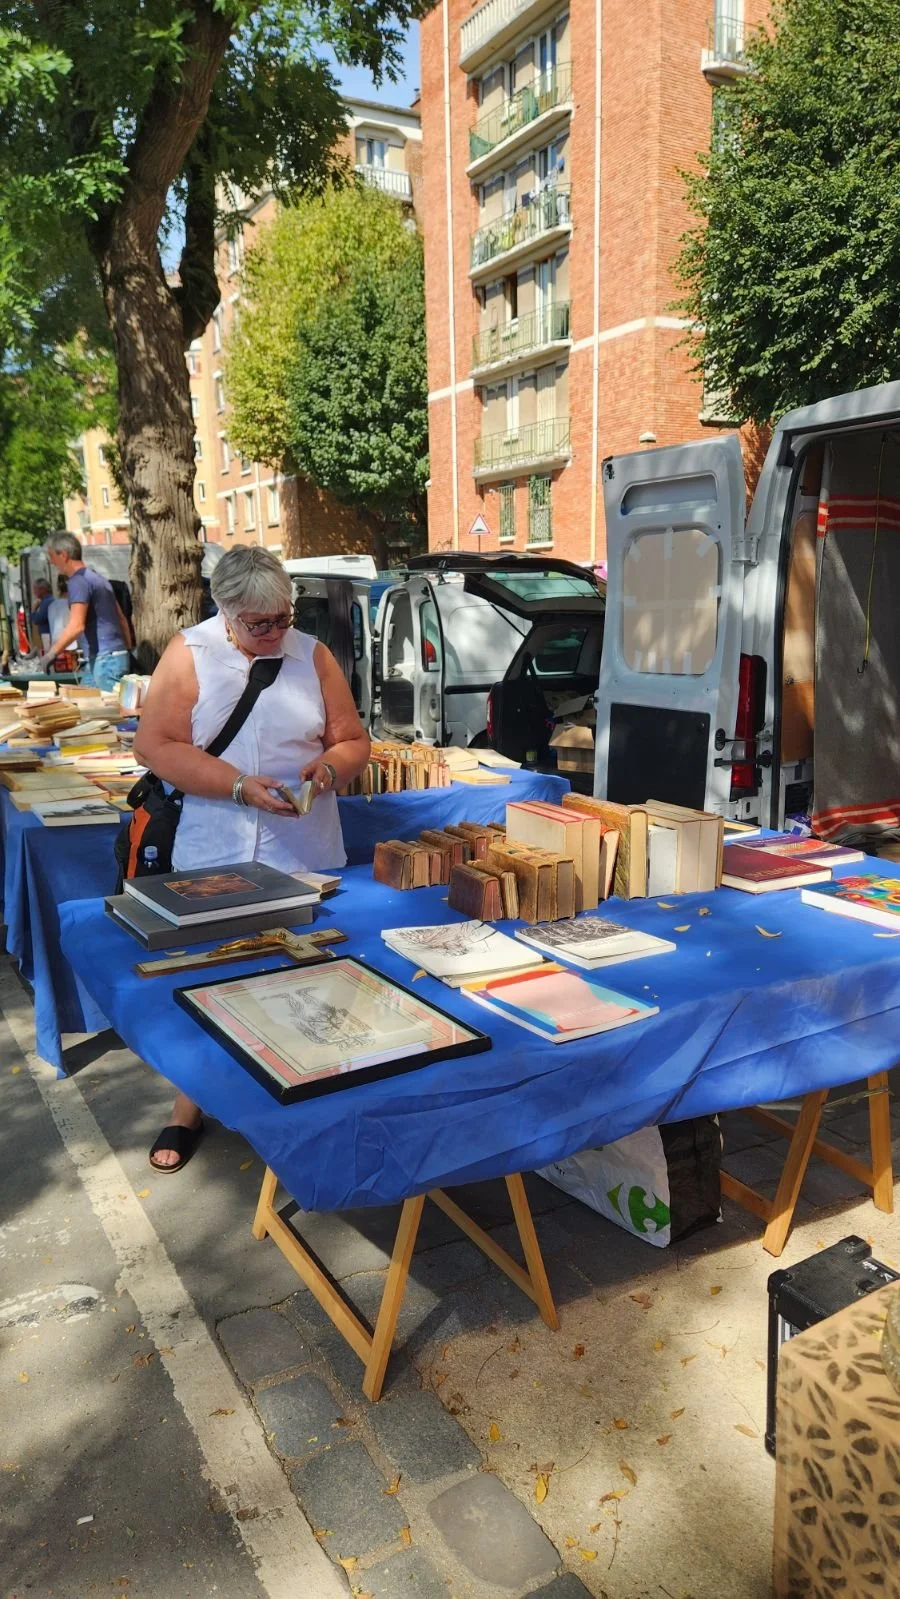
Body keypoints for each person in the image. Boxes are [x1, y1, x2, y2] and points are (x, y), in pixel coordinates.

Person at [133, 545, 371, 1172]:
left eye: (282, 618)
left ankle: (305, 1094)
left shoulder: (311, 653)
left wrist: (327, 769)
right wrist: (238, 785)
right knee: (209, 974)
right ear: (224, 610)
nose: (273, 632)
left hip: (303, 843)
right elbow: (155, 744)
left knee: (308, 971)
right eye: (257, 623)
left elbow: (352, 739)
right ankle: (188, 1106)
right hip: (216, 844)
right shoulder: (191, 652)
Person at [42, 533, 132, 689]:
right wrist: (128, 650)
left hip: (104, 661)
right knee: (85, 705)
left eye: (52, 556)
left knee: (111, 711)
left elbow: (76, 626)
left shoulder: (78, 582)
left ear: (63, 555)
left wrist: (51, 654)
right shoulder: (99, 579)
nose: (51, 562)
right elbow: (121, 618)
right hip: (109, 657)